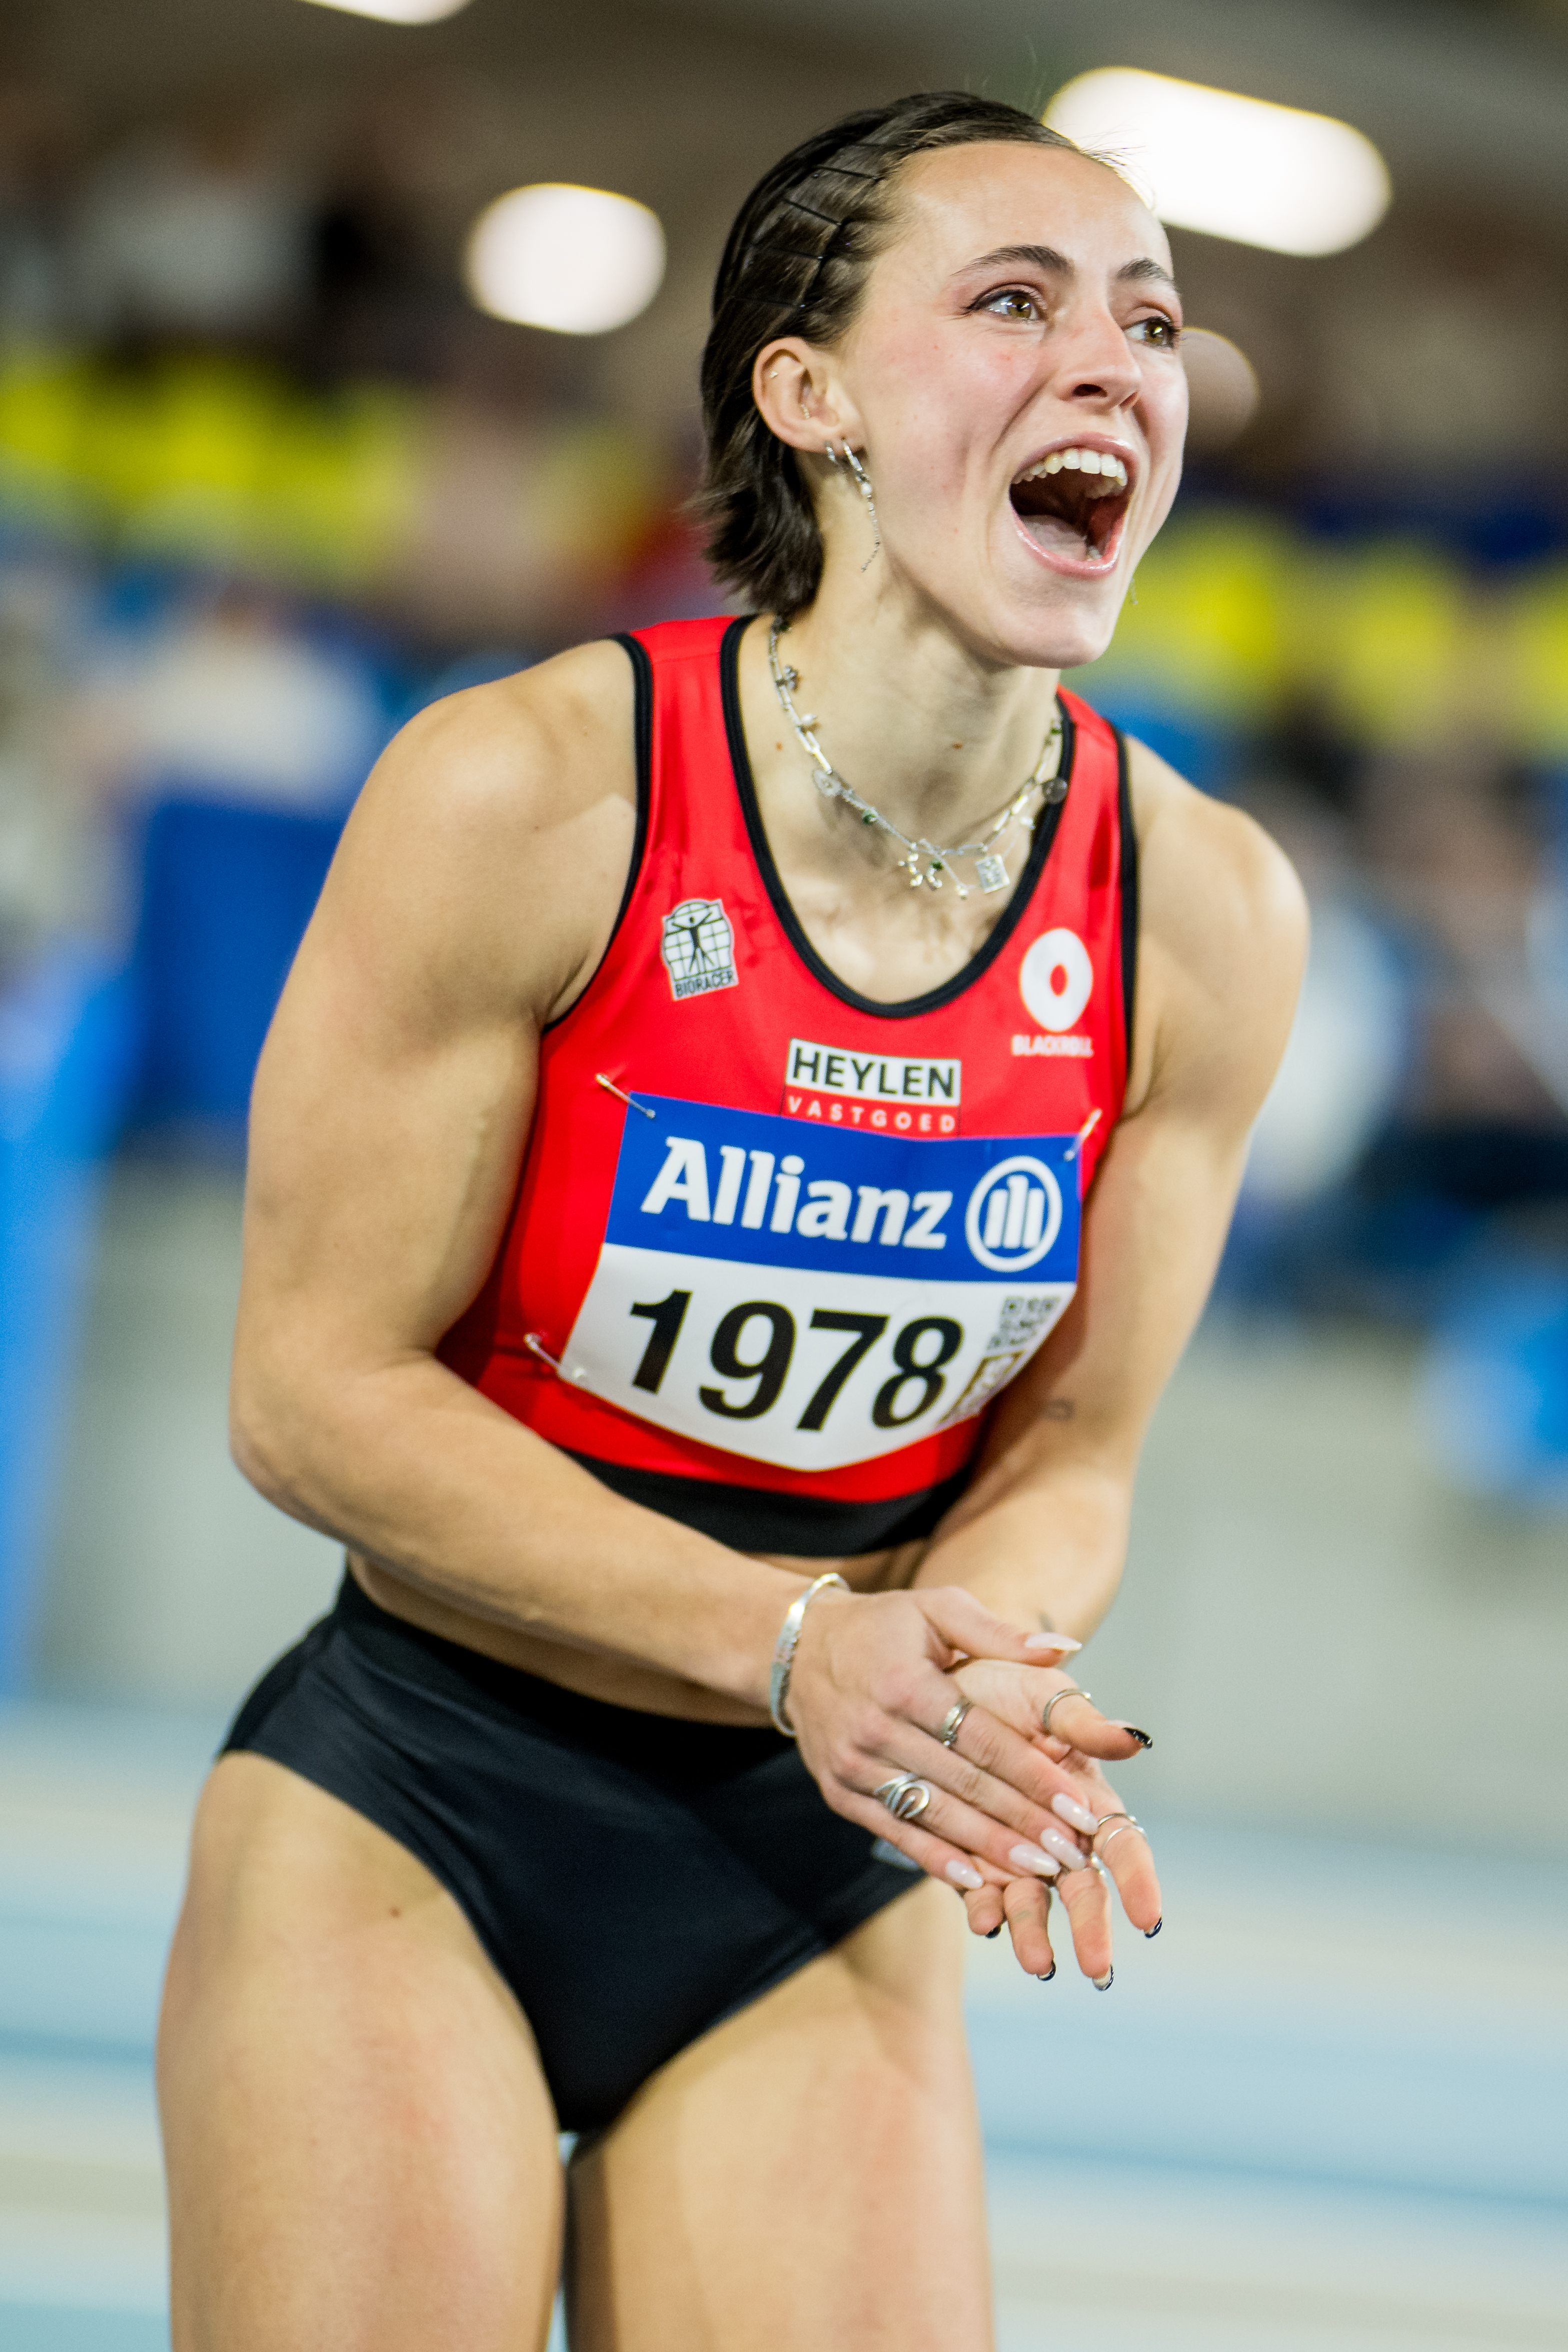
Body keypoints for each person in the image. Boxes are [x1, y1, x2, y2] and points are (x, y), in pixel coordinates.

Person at [157, 91, 1305, 2352]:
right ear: (811, 397)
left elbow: (1074, 1457)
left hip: (813, 1860)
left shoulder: (1206, 912)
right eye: (1013, 301)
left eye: (1151, 322)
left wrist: (970, 1677)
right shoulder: (531, 794)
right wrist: (795, 1644)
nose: (1113, 365)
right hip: (426, 1796)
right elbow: (306, 1392)